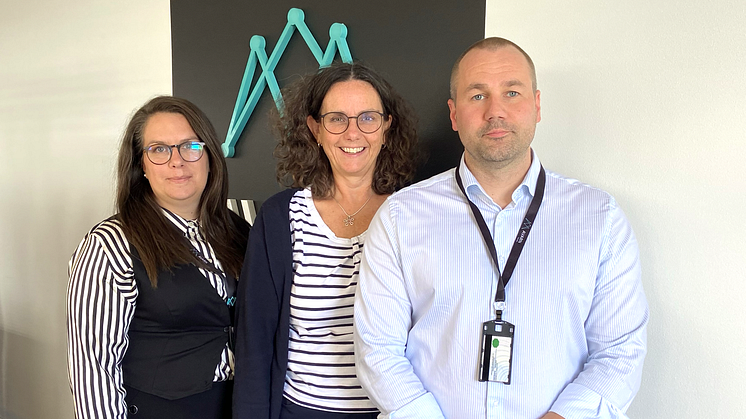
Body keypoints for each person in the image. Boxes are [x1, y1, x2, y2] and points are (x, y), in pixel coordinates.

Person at [354, 37, 649, 419]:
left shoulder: (600, 218)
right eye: (477, 96)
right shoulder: (400, 217)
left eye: (512, 92)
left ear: (537, 105)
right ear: (454, 113)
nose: (495, 111)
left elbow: (620, 350)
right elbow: (377, 347)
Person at [232, 62, 418, 419]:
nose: (353, 133)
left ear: (386, 127)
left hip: (392, 413)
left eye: (368, 118)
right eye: (337, 119)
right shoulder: (279, 219)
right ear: (315, 129)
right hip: (298, 411)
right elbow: (254, 340)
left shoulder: (414, 215)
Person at [67, 96, 251, 419]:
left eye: (190, 146)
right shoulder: (110, 244)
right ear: (142, 166)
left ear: (209, 157)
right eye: (159, 150)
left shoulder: (238, 230)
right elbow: (93, 367)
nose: (177, 161)